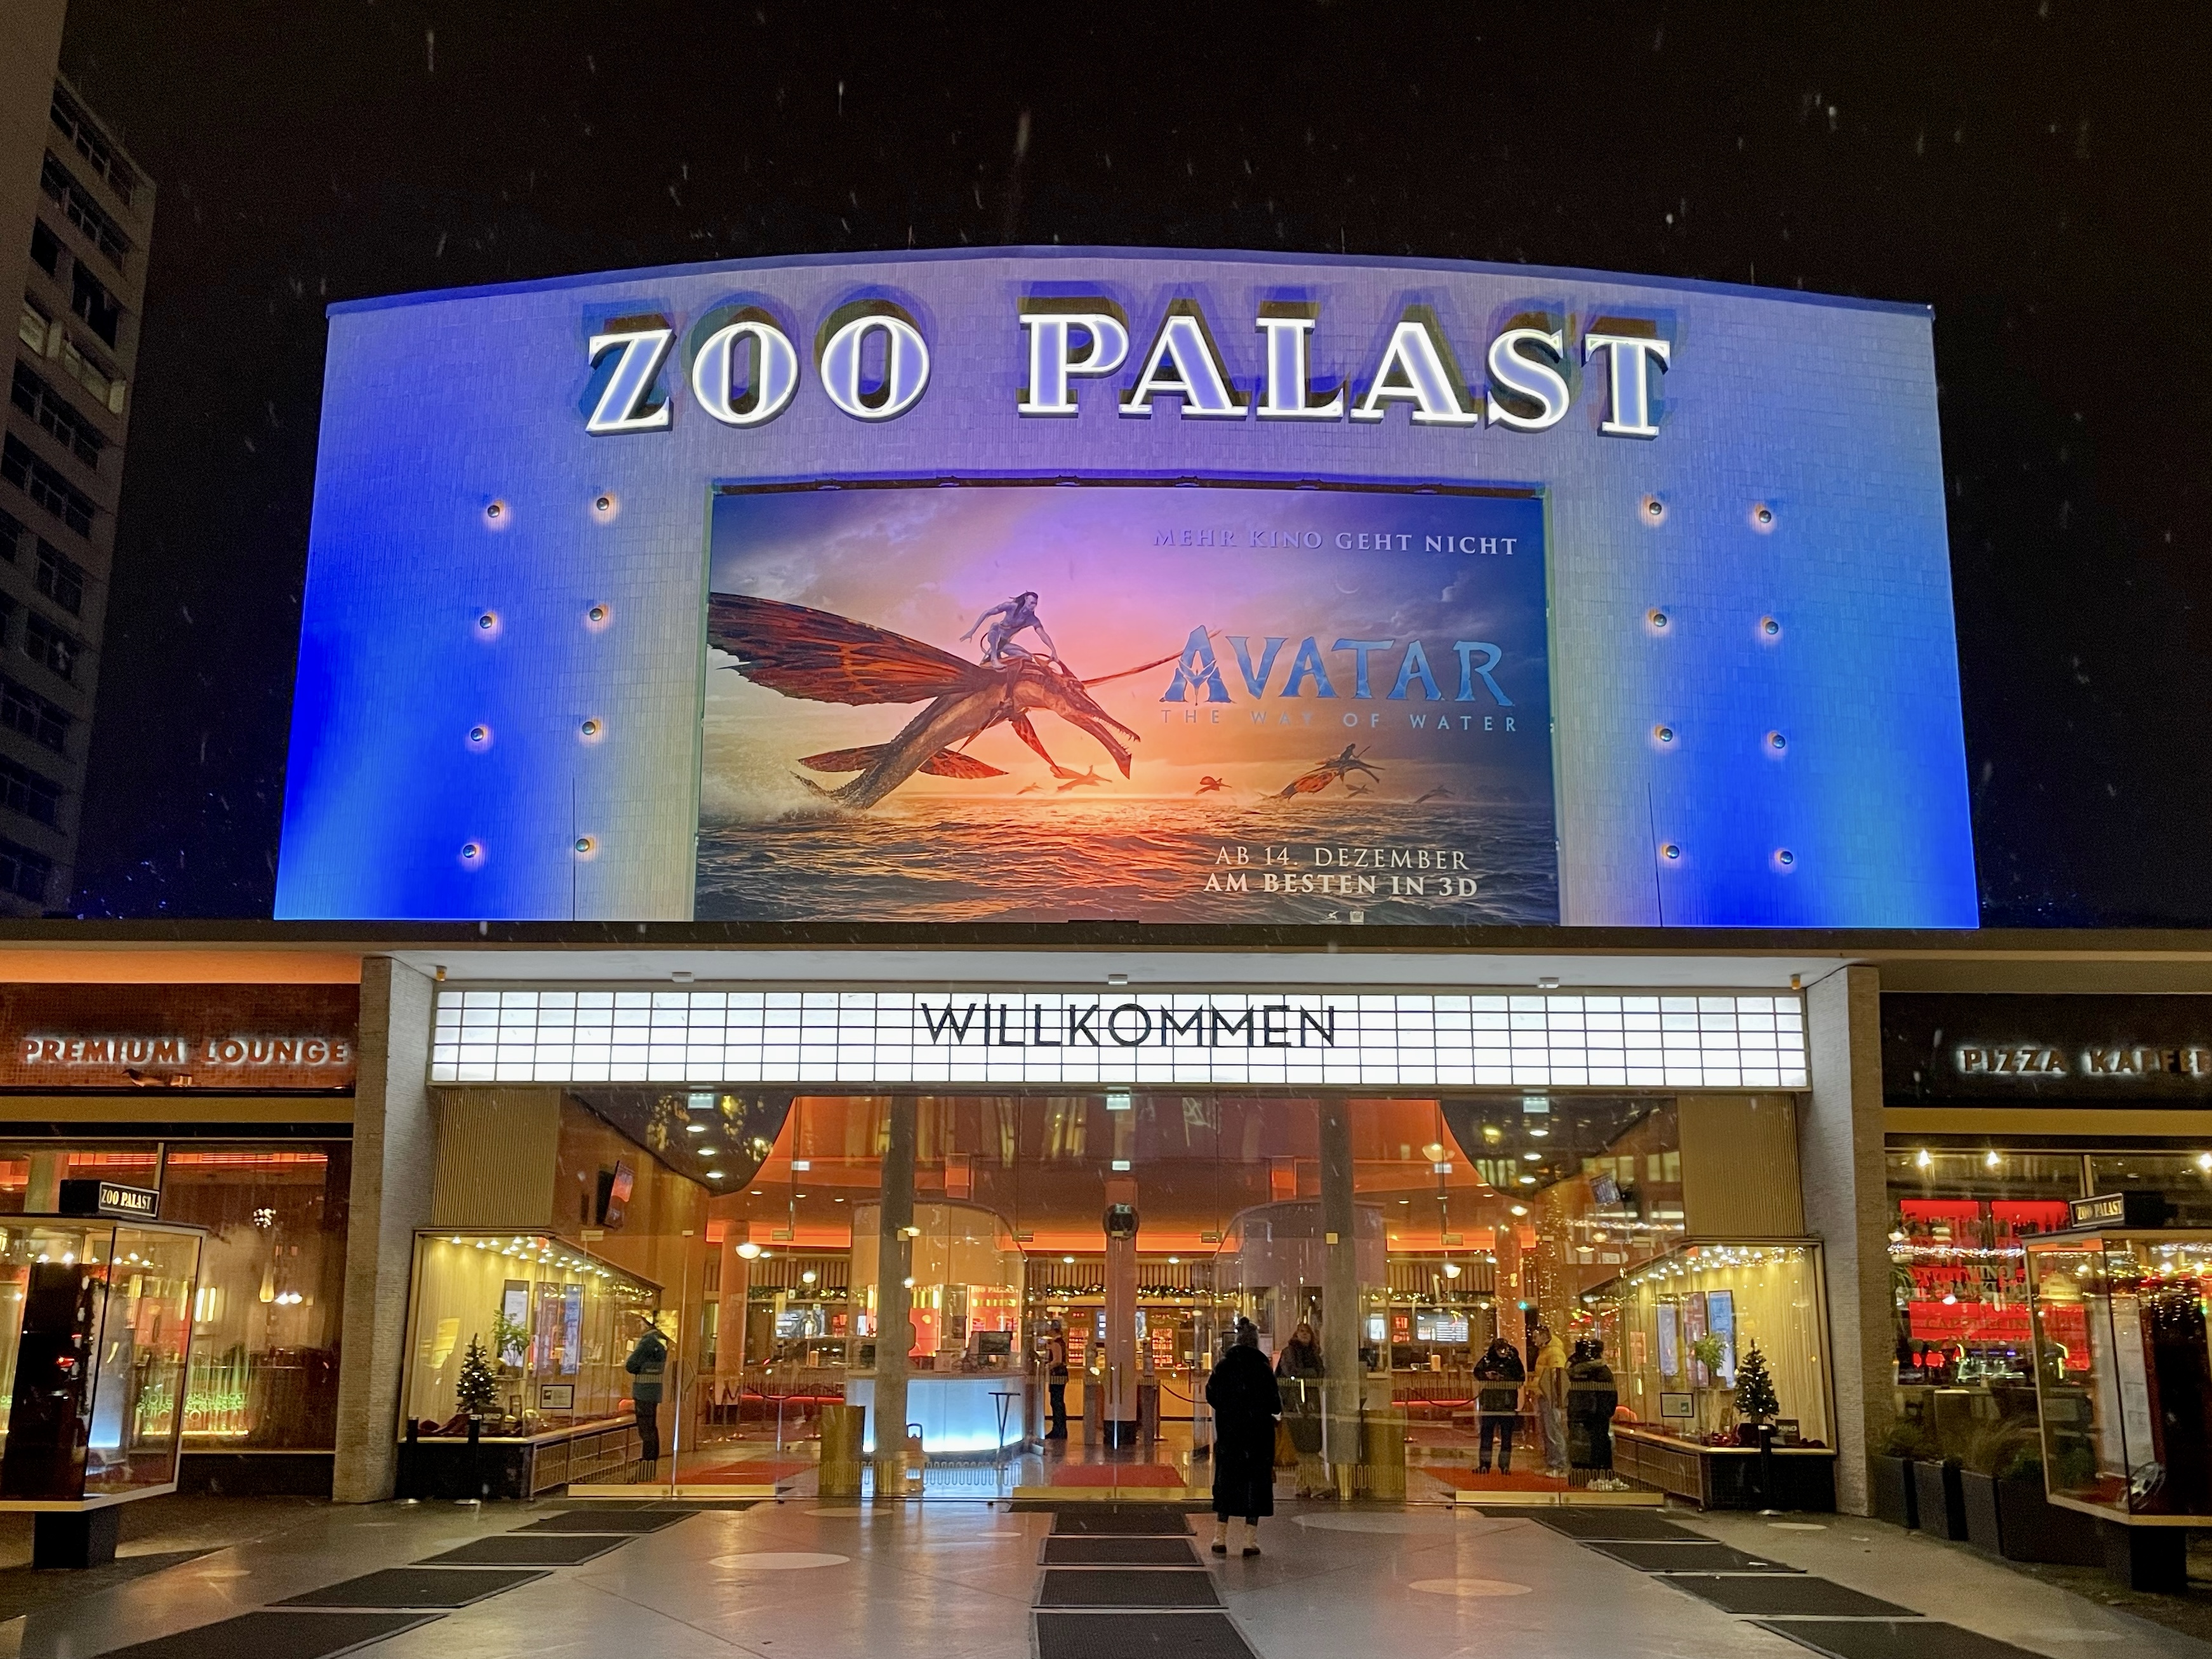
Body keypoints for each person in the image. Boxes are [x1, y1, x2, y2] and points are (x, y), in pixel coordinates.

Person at [1205, 1317, 1282, 1557]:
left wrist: (1229, 1409)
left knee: (1227, 1482)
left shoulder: (1224, 1366)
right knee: (1255, 1486)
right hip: (1258, 1436)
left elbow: (1212, 1395)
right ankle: (1250, 1541)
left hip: (1230, 1434)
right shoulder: (1263, 1368)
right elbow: (1275, 1404)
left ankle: (1220, 1537)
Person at [1275, 1321, 1326, 1496]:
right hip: (1295, 1403)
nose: (1304, 1334)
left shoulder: (1314, 1353)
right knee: (1305, 1445)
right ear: (1296, 1335)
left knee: (1307, 1445)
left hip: (1309, 1403)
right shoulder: (1290, 1353)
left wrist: (1311, 1375)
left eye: (1307, 1332)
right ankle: (1318, 1485)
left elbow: (1320, 1373)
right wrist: (1311, 1374)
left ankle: (1303, 1485)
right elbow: (1293, 1373)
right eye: (1301, 1331)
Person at [1568, 1337, 1622, 1489]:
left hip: (1580, 1414)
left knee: (1583, 1444)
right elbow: (1610, 1395)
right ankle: (1602, 1475)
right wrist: (1607, 1412)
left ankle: (1584, 1477)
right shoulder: (1602, 1371)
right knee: (1600, 1444)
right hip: (1598, 1414)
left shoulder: (1575, 1370)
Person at [624, 1312, 670, 1477]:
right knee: (651, 1426)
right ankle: (651, 1463)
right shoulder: (661, 1340)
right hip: (654, 1390)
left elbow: (631, 1365)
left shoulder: (647, 1342)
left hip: (644, 1390)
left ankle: (647, 1464)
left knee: (646, 1428)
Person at [1472, 1335, 1525, 1474]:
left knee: (1506, 1436)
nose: (1502, 1352)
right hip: (1492, 1402)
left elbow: (1521, 1378)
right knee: (1487, 1435)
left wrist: (1503, 1378)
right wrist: (1487, 1376)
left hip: (1506, 1403)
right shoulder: (1488, 1359)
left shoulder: (1513, 1360)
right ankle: (1485, 1464)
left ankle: (1504, 1465)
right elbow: (1477, 1372)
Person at [961, 591, 1057, 663]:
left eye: (1035, 604)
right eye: (1031, 603)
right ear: (1026, 600)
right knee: (995, 626)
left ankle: (1001, 662)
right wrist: (972, 631)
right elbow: (987, 613)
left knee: (1027, 657)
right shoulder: (1011, 607)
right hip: (995, 637)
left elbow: (1042, 634)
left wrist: (1053, 650)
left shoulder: (1032, 619)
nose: (1033, 606)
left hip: (1004, 645)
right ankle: (993, 656)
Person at [1528, 1324, 1569, 1477]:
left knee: (1553, 1430)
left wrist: (1550, 1393)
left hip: (1550, 1396)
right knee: (1548, 1431)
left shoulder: (1554, 1352)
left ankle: (1559, 1465)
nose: (1534, 1341)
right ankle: (1552, 1463)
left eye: (1536, 1337)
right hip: (1545, 1394)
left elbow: (1556, 1374)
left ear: (1545, 1336)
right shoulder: (1546, 1351)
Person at [1043, 1319, 1070, 1441]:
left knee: (1056, 1401)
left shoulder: (1056, 1344)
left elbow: (1057, 1361)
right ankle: (1061, 1429)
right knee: (1058, 1401)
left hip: (1057, 1375)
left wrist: (1047, 1366)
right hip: (1061, 1375)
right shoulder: (1061, 1342)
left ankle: (1058, 1429)